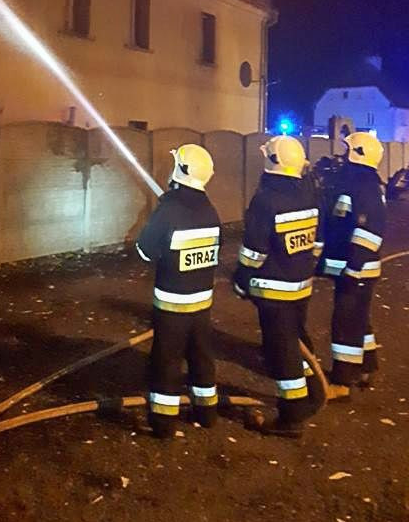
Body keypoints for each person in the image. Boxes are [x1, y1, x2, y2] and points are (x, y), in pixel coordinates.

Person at [233, 136, 327, 437]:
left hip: (273, 291)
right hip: (301, 285)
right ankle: (312, 391)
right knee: (298, 339)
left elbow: (254, 252)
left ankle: (292, 417)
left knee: (283, 351)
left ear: (272, 161)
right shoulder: (309, 193)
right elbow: (317, 240)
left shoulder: (266, 199)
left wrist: (241, 279)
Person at [136, 144, 221, 438]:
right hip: (202, 304)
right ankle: (207, 413)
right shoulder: (211, 210)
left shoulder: (169, 209)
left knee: (166, 361)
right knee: (201, 357)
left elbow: (145, 251)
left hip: (172, 304)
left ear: (180, 170)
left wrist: (157, 219)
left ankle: (163, 422)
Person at [320, 132, 386, 401]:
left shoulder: (364, 187)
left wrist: (352, 269)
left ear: (357, 154)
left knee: (345, 323)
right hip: (351, 268)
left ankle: (342, 382)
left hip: (356, 270)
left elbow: (369, 232)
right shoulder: (359, 183)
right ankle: (367, 366)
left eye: (347, 152)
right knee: (359, 318)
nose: (342, 157)